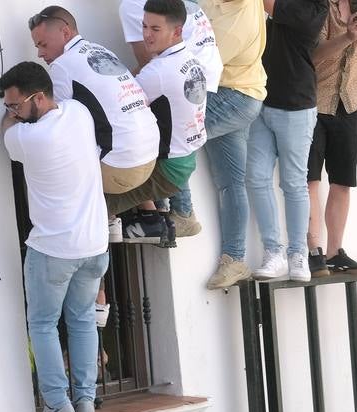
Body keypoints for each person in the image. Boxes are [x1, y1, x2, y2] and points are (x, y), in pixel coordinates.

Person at [0, 62, 108, 412]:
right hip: (94, 245)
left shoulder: (30, 138)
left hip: (53, 250)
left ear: (38, 98)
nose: (12, 112)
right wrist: (18, 109)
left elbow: (6, 132)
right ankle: (85, 400)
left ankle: (58, 405)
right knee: (82, 321)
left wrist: (10, 119)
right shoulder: (78, 113)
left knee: (42, 325)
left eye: (15, 104)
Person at [27, 7, 161, 238]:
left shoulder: (62, 66)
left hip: (123, 170)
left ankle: (102, 223)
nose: (40, 53)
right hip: (151, 155)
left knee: (52, 153)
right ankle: (147, 215)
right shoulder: (100, 50)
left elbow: (54, 126)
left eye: (43, 45)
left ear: (65, 32)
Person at [120, 0, 224, 236]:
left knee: (101, 202)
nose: (146, 35)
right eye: (144, 27)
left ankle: (157, 217)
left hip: (169, 167)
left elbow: (122, 104)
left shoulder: (157, 72)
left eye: (155, 29)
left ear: (177, 31)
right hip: (184, 160)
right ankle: (158, 215)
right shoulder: (188, 58)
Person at [247, 0, 329, 283]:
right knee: (256, 178)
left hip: (296, 107)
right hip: (260, 101)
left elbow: (269, 5)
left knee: (293, 183)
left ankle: (297, 254)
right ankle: (274, 252)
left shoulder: (316, 9)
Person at [202, 0, 268, 290]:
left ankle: (180, 212)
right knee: (231, 183)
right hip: (232, 92)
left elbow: (203, 64)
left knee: (174, 135)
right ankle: (235, 259)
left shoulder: (239, 22)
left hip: (236, 97)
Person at [306, 0, 357, 276]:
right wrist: (347, 37)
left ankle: (336, 252)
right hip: (314, 101)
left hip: (350, 100)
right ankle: (314, 252)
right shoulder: (315, 7)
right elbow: (310, 55)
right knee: (309, 180)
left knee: (342, 181)